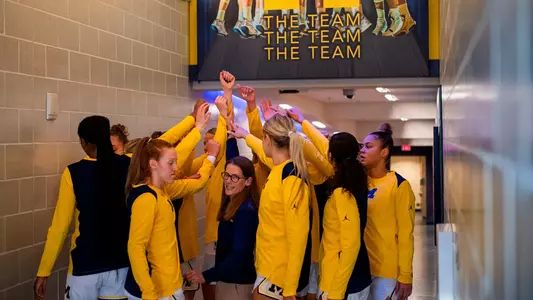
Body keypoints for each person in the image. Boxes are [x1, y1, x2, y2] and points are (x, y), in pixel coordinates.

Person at [34, 116, 132, 300]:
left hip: (85, 266)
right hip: (120, 265)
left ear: (83, 142)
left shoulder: (73, 173)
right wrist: (194, 124)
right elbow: (159, 148)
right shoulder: (127, 165)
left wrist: (44, 270)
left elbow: (60, 227)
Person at [287, 108, 372, 300]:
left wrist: (336, 292)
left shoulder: (343, 192)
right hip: (347, 277)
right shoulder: (355, 179)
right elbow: (326, 146)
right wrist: (302, 122)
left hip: (343, 283)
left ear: (332, 156)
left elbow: (350, 244)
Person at [125, 135, 221, 300]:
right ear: (153, 164)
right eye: (170, 163)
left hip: (169, 286)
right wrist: (148, 292)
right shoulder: (146, 197)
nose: (176, 168)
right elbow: (136, 248)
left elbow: (199, 183)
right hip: (155, 292)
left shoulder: (162, 192)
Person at [229, 114, 310, 300]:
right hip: (267, 266)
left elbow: (298, 237)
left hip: (277, 274)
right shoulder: (279, 169)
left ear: (268, 139)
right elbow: (263, 151)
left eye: (263, 138)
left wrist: (290, 288)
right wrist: (245, 135)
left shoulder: (291, 176)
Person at [187, 156, 260, 300]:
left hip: (237, 284)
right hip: (228, 280)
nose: (227, 180)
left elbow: (239, 256)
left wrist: (206, 276)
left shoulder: (246, 210)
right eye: (226, 175)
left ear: (248, 181)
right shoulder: (232, 203)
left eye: (234, 177)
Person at [359, 123, 415, 300]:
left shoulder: (399, 185)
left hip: (387, 271)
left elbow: (406, 234)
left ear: (384, 152)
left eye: (368, 147)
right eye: (362, 146)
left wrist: (405, 275)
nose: (362, 150)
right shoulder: (356, 182)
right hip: (360, 268)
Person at [201, 72, 236, 300]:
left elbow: (227, 131)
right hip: (210, 236)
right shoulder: (204, 167)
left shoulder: (224, 166)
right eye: (204, 143)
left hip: (221, 236)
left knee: (217, 284)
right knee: (206, 285)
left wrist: (228, 94)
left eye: (210, 143)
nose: (207, 147)